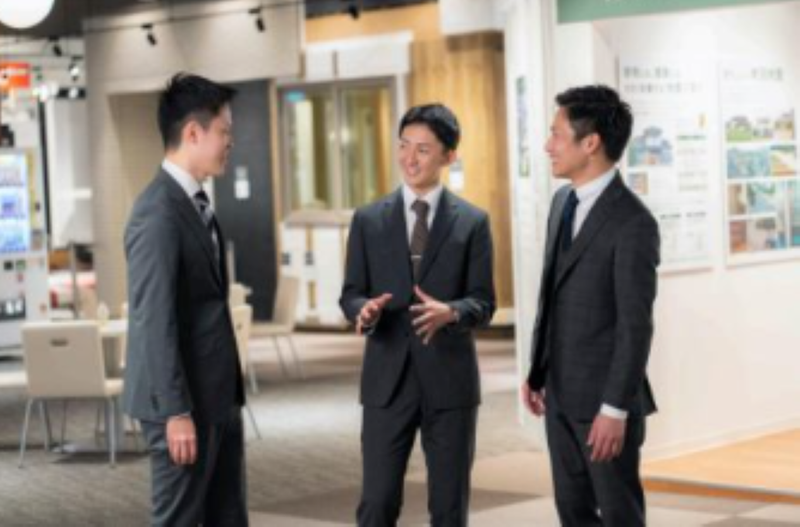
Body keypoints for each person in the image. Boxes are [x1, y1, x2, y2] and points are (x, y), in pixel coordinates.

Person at [340, 103, 496, 527]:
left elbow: (484, 302)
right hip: (386, 382)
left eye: (423, 150)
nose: (409, 158)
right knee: (376, 504)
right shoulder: (368, 220)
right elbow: (350, 293)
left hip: (450, 382)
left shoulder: (473, 222)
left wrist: (453, 312)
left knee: (448, 509)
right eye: (404, 145)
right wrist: (363, 311)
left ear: (449, 156)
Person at [522, 85, 660, 527]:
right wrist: (537, 371)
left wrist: (614, 409)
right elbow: (551, 294)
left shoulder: (633, 222)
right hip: (559, 393)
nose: (548, 146)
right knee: (573, 512)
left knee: (619, 515)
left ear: (591, 143)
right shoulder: (562, 202)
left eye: (556, 134)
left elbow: (635, 327)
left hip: (604, 404)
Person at [123, 72, 247, 527]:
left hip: (216, 397)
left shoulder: (195, 203)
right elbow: (154, 321)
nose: (230, 142)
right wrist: (176, 411)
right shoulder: (157, 213)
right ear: (193, 133)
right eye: (224, 132)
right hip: (183, 405)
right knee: (178, 519)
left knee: (227, 517)